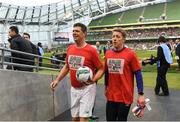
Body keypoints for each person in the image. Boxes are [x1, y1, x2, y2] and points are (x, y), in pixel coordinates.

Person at [50, 23, 104, 122]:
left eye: (77, 31)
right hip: (74, 89)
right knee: (75, 118)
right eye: (73, 31)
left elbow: (101, 68)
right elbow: (67, 66)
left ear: (84, 34)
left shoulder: (91, 50)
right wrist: (57, 80)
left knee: (83, 118)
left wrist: (94, 79)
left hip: (87, 89)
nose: (74, 33)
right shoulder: (70, 48)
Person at [104, 28, 145, 121]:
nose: (114, 39)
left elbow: (138, 73)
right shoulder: (108, 53)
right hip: (111, 95)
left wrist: (141, 94)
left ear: (123, 39)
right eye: (113, 36)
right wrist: (106, 86)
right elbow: (106, 72)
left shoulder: (130, 54)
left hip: (125, 96)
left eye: (118, 37)